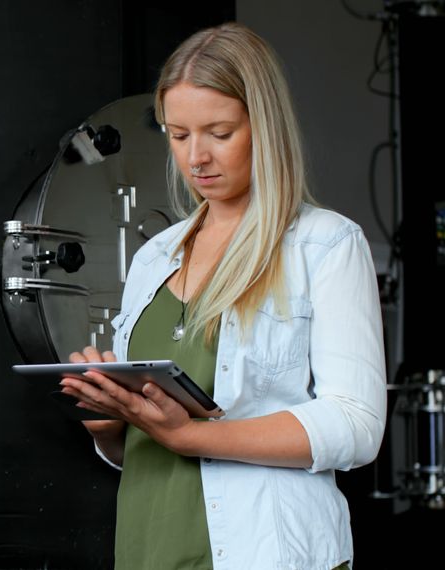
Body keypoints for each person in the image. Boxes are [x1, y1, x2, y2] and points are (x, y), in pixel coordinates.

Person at [59, 23, 385, 570]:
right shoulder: (153, 258)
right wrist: (109, 424)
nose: (196, 158)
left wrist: (194, 436)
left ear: (265, 127)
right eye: (179, 135)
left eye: (219, 132)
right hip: (148, 548)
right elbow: (136, 450)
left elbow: (356, 426)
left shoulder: (325, 245)